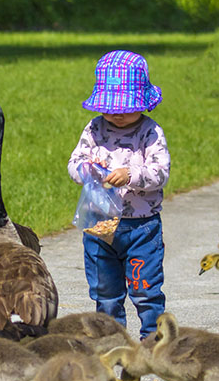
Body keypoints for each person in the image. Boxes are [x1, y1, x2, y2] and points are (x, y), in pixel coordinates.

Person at [67, 50, 170, 341]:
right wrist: (88, 170)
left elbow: (161, 172)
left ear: (142, 103)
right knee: (105, 291)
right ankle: (111, 341)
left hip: (140, 226)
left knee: (145, 288)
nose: (117, 114)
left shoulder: (150, 132)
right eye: (110, 107)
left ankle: (153, 341)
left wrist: (131, 175)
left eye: (125, 107)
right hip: (100, 222)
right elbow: (74, 164)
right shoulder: (94, 129)